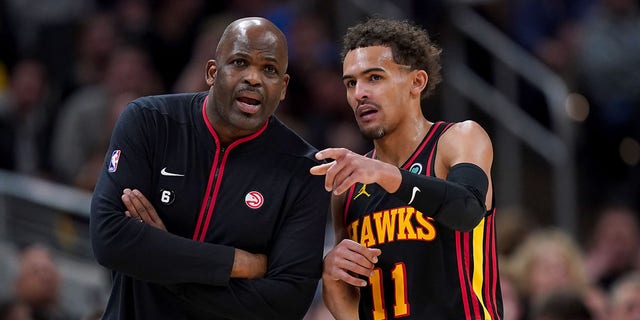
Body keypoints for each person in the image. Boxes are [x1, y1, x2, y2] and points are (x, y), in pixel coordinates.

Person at [90, 17, 329, 319]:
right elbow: (108, 239)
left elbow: (284, 304)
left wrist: (161, 260)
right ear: (212, 72)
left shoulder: (304, 171)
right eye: (240, 62)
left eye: (269, 69)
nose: (253, 78)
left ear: (282, 88)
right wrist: (234, 263)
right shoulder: (150, 121)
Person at [310, 17, 503, 319]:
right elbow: (353, 310)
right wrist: (332, 278)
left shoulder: (457, 139)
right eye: (351, 82)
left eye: (374, 77)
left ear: (417, 82)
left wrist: (388, 175)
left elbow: (468, 210)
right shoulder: (348, 187)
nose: (359, 93)